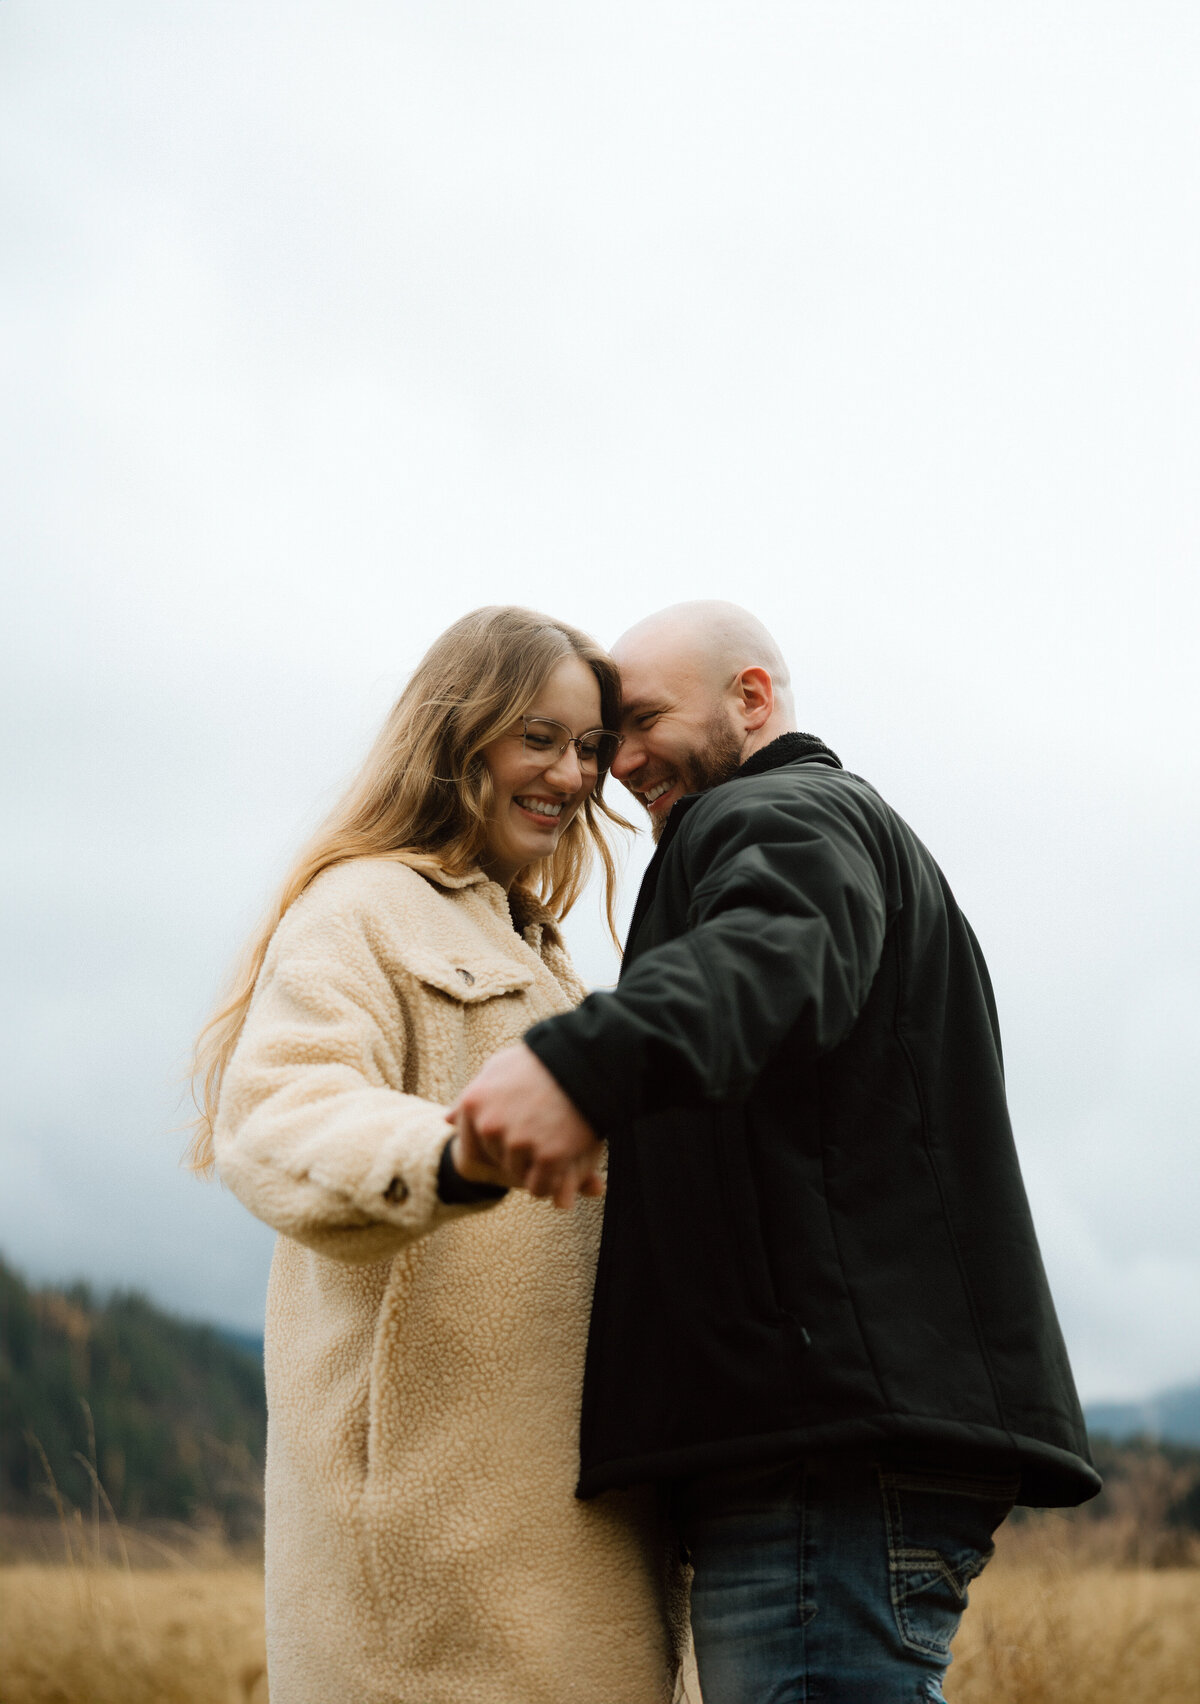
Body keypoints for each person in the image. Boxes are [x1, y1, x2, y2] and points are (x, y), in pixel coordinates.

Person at [452, 600, 1102, 1704]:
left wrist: (585, 1065)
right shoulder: (827, 829)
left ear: (750, 699)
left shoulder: (779, 810)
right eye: (608, 743)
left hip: (823, 1449)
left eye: (644, 720)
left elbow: (781, 951)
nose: (622, 765)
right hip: (839, 1438)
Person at [188, 607, 686, 1704]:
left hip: (582, 1574)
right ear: (460, 734)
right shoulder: (362, 908)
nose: (571, 771)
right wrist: (456, 1155)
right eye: (538, 737)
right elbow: (278, 1116)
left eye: (590, 746)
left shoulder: (547, 962)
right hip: (436, 1609)